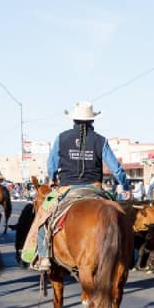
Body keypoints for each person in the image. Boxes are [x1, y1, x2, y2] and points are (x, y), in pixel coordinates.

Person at [23, 102, 129, 271]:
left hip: (66, 188)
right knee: (120, 214)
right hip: (95, 188)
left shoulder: (61, 138)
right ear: (92, 121)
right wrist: (125, 185)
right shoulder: (101, 141)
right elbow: (116, 168)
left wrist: (52, 179)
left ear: (73, 120)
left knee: (44, 214)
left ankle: (43, 256)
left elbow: (52, 165)